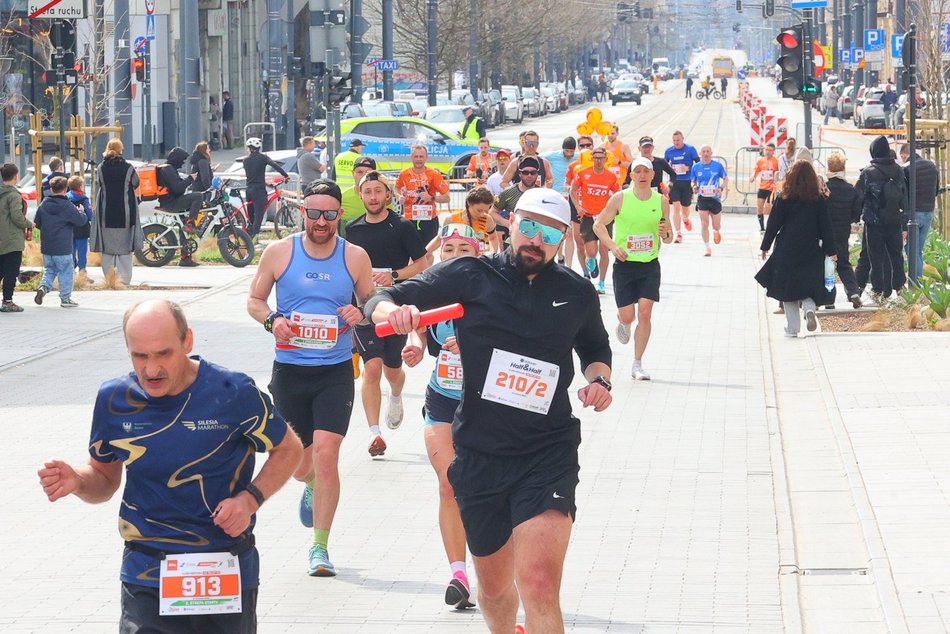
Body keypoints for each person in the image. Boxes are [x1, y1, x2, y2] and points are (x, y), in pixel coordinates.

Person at [367, 187, 613, 634]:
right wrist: (395, 310)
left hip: (547, 453)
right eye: (529, 227)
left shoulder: (576, 292)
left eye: (550, 233)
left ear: (563, 239)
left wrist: (599, 380)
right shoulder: (470, 274)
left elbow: (596, 349)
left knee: (538, 583)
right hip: (480, 454)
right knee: (496, 591)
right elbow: (380, 300)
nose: (535, 240)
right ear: (510, 223)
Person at [38, 299, 303, 633]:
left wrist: (249, 500)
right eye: (140, 356)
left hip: (223, 565)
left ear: (187, 341)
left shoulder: (233, 392)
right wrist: (77, 480)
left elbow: (289, 448)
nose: (151, 370)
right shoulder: (115, 400)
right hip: (147, 571)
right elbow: (104, 480)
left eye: (163, 354)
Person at [248, 179, 373, 577]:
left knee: (327, 453)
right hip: (290, 370)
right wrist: (272, 319)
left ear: (340, 215)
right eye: (314, 213)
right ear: (302, 213)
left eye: (329, 214)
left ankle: (319, 548)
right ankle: (309, 484)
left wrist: (361, 313)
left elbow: (371, 301)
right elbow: (254, 300)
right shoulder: (279, 252)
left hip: (335, 370)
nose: (321, 221)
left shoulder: (354, 256)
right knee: (300, 465)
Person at [400, 223, 481, 610]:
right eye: (448, 249)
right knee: (450, 484)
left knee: (489, 490)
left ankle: (495, 568)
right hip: (443, 400)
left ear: (478, 254)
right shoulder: (434, 296)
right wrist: (415, 347)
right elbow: (419, 327)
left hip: (489, 406)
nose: (455, 255)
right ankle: (458, 575)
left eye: (464, 248)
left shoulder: (493, 295)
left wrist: (473, 345)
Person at [345, 171, 429, 456]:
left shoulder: (401, 226)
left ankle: (395, 394)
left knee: (392, 369)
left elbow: (423, 262)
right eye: (367, 192)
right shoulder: (353, 229)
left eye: (378, 191)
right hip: (363, 309)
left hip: (394, 308)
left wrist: (394, 275)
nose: (373, 197)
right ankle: (374, 434)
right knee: (372, 367)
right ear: (360, 195)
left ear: (388, 195)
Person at [594, 157, 673, 380]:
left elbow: (668, 238)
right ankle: (623, 322)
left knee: (645, 314)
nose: (642, 175)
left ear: (652, 175)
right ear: (631, 176)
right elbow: (598, 225)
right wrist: (612, 247)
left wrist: (666, 232)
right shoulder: (620, 198)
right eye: (637, 171)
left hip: (649, 264)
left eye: (645, 171)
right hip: (625, 265)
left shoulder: (661, 201)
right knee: (629, 316)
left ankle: (637, 364)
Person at [756, 160, 837, 337]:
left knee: (788, 289)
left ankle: (793, 329)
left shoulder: (784, 198)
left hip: (787, 247)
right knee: (808, 285)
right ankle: (809, 309)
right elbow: (826, 227)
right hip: (811, 247)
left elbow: (773, 224)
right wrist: (832, 251)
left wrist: (765, 246)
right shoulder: (818, 200)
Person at [855, 136, 908, 300]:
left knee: (876, 257)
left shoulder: (868, 172)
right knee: (896, 255)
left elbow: (858, 197)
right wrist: (904, 222)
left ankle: (877, 291)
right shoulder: (899, 170)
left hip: (874, 222)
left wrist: (855, 218)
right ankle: (899, 287)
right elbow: (904, 196)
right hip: (894, 220)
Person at [570, 146, 620, 294]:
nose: (598, 161)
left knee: (604, 250)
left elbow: (618, 193)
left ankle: (602, 283)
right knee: (591, 251)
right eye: (596, 158)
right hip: (588, 216)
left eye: (601, 158)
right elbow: (572, 190)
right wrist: (578, 207)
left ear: (605, 159)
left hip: (604, 218)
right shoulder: (583, 173)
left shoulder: (610, 176)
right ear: (592, 158)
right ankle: (591, 259)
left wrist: (614, 209)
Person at [33, 176, 87, 308]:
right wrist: (82, 212)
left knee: (50, 269)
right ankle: (65, 298)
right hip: (63, 246)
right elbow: (80, 221)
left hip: (47, 246)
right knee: (66, 271)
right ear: (65, 189)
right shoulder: (67, 205)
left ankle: (43, 287)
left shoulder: (44, 204)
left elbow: (37, 223)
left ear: (51, 189)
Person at [92, 138, 140, 284]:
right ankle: (124, 280)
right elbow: (136, 183)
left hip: (106, 213)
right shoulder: (129, 168)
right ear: (121, 150)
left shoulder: (101, 167)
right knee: (124, 248)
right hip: (125, 213)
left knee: (108, 248)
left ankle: (109, 279)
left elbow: (98, 183)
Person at [824, 152, 864, 308]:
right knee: (844, 263)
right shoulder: (850, 189)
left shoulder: (825, 189)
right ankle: (853, 291)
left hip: (826, 232)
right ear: (843, 168)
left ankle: (829, 299)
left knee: (827, 264)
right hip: (842, 231)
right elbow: (856, 213)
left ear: (829, 168)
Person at [900, 143, 939, 284]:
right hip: (928, 212)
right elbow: (936, 189)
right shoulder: (932, 166)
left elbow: (903, 194)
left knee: (912, 251)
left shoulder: (906, 169)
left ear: (904, 155)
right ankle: (918, 282)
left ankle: (914, 285)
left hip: (913, 214)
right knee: (918, 250)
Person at [395, 145, 450, 247]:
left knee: (427, 252)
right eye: (416, 156)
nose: (419, 159)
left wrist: (431, 197)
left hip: (429, 219)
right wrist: (399, 196)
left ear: (426, 157)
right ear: (411, 157)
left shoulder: (434, 174)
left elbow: (447, 197)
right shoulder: (404, 174)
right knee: (410, 250)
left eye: (421, 156)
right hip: (409, 219)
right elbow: (396, 188)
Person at [0, 162, 32, 313]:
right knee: (11, 271)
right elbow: (17, 217)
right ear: (15, 176)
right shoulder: (13, 195)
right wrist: (29, 224)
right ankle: (7, 301)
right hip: (12, 239)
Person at [243, 137, 290, 237]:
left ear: (250, 148)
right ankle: (252, 238)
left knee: (251, 217)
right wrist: (285, 175)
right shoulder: (263, 158)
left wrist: (268, 184)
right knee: (259, 216)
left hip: (249, 191)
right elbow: (275, 166)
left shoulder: (245, 160)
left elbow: (254, 176)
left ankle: (248, 236)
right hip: (259, 191)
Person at [542, 136, 578, 265]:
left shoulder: (578, 157)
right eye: (567, 151)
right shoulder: (553, 156)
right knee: (557, 228)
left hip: (571, 196)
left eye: (571, 152)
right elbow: (539, 157)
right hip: (556, 196)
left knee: (570, 231)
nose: (569, 154)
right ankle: (560, 255)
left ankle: (569, 265)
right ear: (563, 149)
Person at [690, 145, 729, 256]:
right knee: (704, 223)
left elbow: (726, 178)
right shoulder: (696, 167)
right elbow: (693, 181)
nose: (706, 154)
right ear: (700, 153)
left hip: (715, 198)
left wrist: (721, 188)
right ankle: (707, 248)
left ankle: (716, 231)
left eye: (708, 151)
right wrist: (694, 187)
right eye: (703, 151)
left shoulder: (717, 166)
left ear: (711, 153)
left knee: (716, 225)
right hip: (702, 198)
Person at [493, 155, 541, 244]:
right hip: (513, 242)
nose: (529, 176)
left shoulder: (543, 194)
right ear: (520, 174)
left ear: (537, 174)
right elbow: (493, 212)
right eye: (526, 172)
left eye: (533, 173)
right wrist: (508, 223)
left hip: (536, 242)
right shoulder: (508, 192)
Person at [664, 131, 700, 243]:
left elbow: (698, 163)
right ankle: (678, 234)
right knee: (676, 207)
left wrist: (688, 168)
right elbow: (664, 164)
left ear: (683, 139)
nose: (676, 143)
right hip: (674, 182)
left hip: (687, 181)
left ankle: (685, 218)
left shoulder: (690, 149)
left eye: (678, 140)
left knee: (685, 207)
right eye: (674, 141)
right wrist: (669, 167)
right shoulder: (669, 151)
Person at [338, 156, 376, 237]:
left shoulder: (382, 198)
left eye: (368, 172)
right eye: (359, 172)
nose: (363, 176)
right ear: (353, 173)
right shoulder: (341, 198)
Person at [66, 175, 93, 273]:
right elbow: (90, 215)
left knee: (71, 250)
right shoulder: (84, 199)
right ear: (80, 186)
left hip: (70, 229)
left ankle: (71, 268)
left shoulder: (66, 198)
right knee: (82, 251)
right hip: (82, 229)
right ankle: (82, 269)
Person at [750, 143, 779, 232]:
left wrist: (776, 183)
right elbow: (756, 170)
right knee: (759, 207)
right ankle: (762, 227)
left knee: (771, 209)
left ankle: (772, 226)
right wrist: (753, 177)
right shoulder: (760, 161)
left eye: (770, 150)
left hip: (772, 188)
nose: (768, 152)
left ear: (773, 151)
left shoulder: (776, 161)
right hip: (762, 187)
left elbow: (779, 173)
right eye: (766, 150)